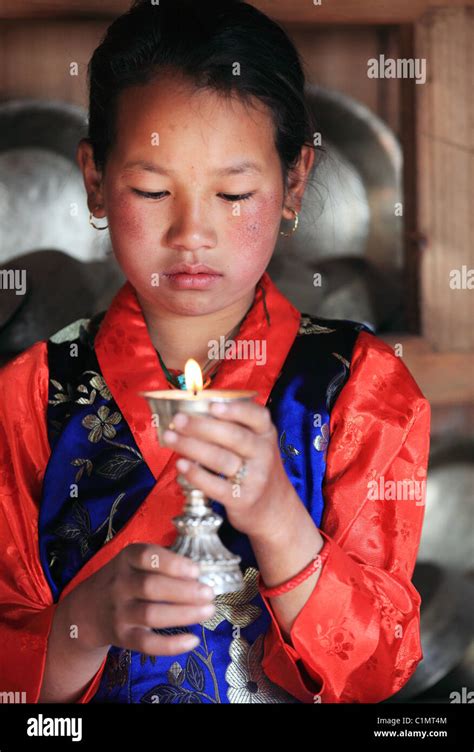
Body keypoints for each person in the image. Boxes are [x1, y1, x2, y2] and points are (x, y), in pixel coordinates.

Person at [0, 0, 430, 704]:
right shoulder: (27, 395)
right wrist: (84, 620)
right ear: (94, 180)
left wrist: (280, 522)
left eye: (233, 192)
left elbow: (378, 673)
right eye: (150, 188)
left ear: (293, 183)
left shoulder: (361, 388)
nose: (192, 232)